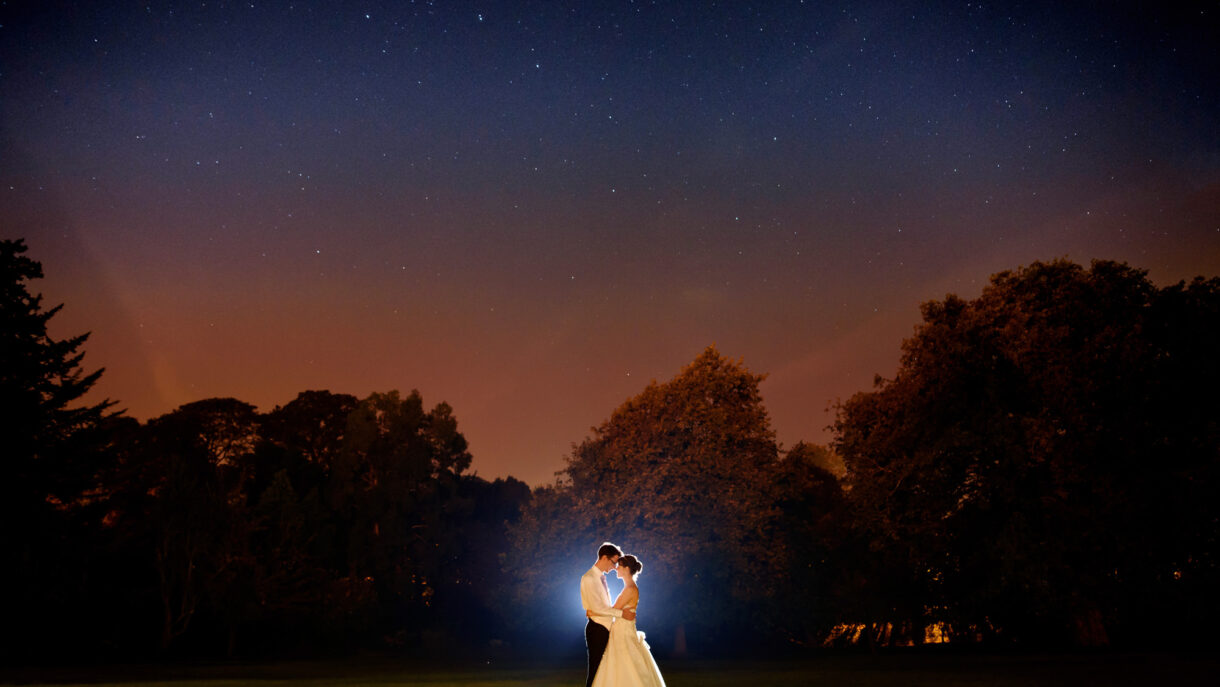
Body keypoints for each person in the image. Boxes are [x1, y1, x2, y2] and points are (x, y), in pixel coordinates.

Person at [589, 553, 666, 687]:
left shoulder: (630, 589)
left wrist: (593, 611)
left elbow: (612, 610)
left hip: (622, 633)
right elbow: (617, 611)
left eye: (619, 566)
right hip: (621, 630)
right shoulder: (629, 588)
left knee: (625, 663)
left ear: (626, 569)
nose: (617, 569)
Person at [581, 542, 634, 687]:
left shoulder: (600, 577)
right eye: (614, 562)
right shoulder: (589, 578)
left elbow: (599, 607)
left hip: (603, 627)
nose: (614, 567)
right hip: (597, 628)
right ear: (604, 557)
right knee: (596, 670)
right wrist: (621, 614)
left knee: (603, 671)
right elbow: (598, 607)